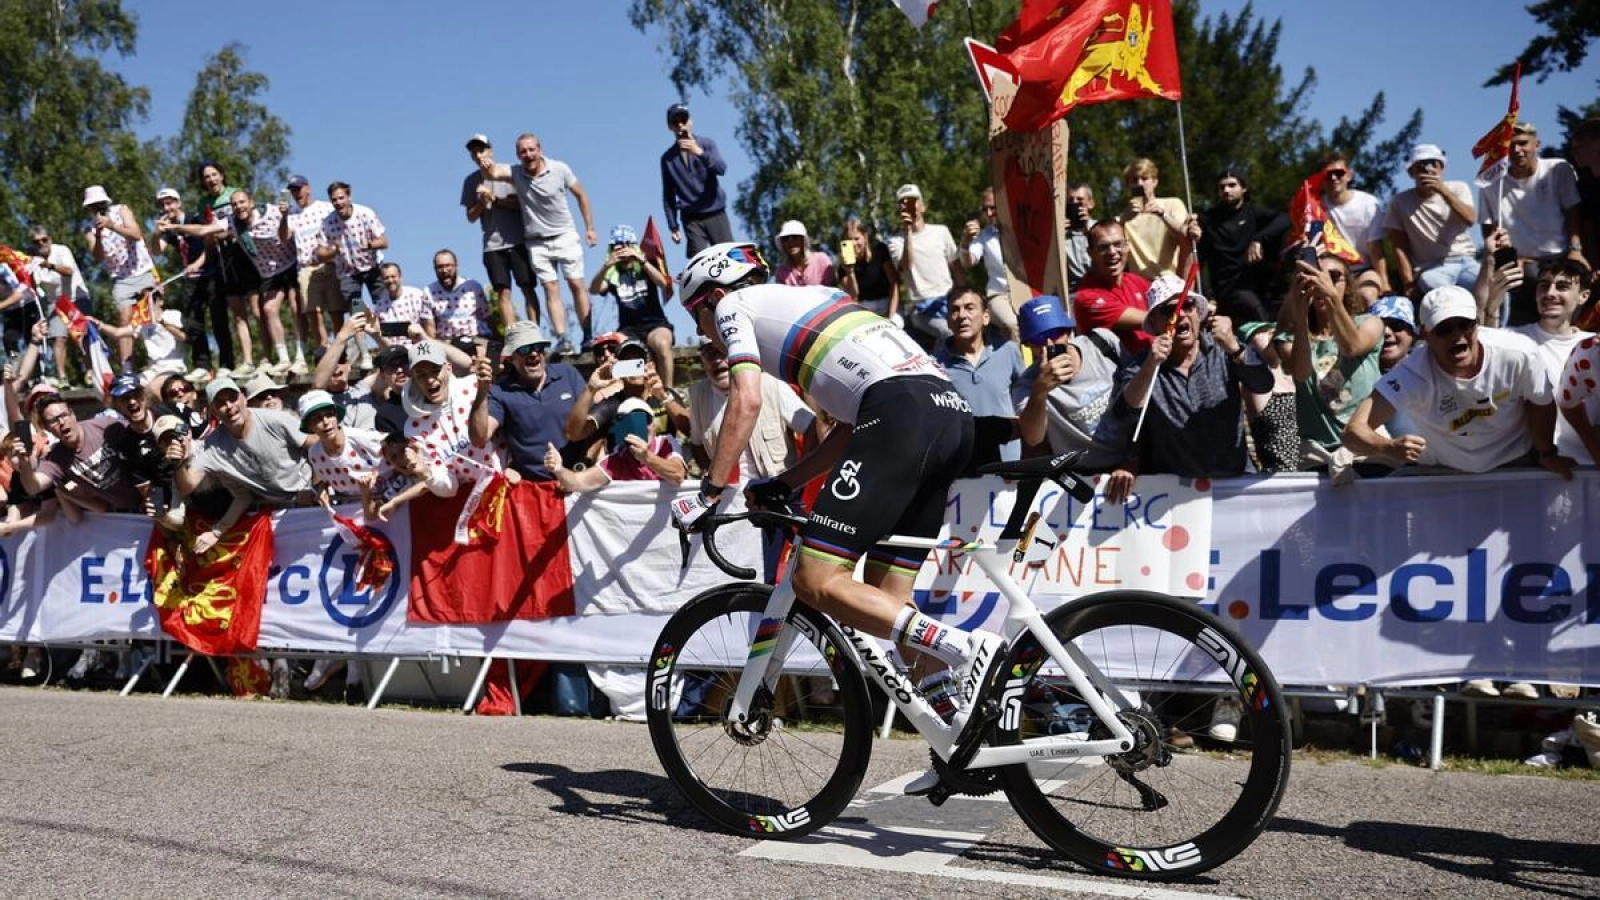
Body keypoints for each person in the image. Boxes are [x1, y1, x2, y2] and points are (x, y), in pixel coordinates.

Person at [669, 242, 997, 799]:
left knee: (815, 580)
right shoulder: (820, 297)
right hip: (947, 415)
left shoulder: (736, 307)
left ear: (715, 294)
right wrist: (787, 482)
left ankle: (963, 645)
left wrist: (710, 490)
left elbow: (745, 401)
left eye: (699, 314)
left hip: (902, 415)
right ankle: (959, 743)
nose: (707, 332)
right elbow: (848, 428)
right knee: (888, 601)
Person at [1342, 285, 1572, 477]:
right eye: (1444, 328)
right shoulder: (1410, 374)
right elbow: (1353, 432)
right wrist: (1387, 448)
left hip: (1515, 462)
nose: (1457, 335)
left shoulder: (1519, 353)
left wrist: (1546, 452)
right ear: (1425, 333)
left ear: (1478, 323)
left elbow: (1540, 400)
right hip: (1445, 473)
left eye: (1465, 324)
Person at [684, 338, 816, 580]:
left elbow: (811, 426)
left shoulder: (770, 385)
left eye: (721, 352)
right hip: (729, 499)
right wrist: (712, 477)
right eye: (709, 354)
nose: (717, 361)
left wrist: (799, 479)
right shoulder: (698, 396)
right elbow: (695, 444)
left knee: (782, 571)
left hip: (774, 493)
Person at [479, 133, 599, 355]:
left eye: (531, 149)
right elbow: (494, 172)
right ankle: (563, 339)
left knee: (575, 284)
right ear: (518, 155)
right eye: (523, 151)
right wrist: (486, 164)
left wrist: (589, 228)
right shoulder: (516, 172)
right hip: (536, 241)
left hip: (564, 233)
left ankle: (588, 335)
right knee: (550, 288)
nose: (528, 155)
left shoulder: (559, 169)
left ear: (540, 149)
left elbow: (581, 194)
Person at [1276, 253, 1383, 458]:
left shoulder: (1369, 322)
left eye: (1333, 276)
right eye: (1312, 276)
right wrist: (1299, 312)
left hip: (1367, 446)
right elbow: (1300, 372)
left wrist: (1330, 296)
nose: (1322, 281)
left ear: (1348, 286)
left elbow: (1352, 346)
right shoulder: (1290, 337)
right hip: (1317, 451)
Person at [1479, 122, 1585, 326]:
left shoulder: (1558, 169)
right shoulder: (1492, 182)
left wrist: (1576, 249)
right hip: (1521, 262)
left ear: (1537, 144)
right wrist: (1508, 256)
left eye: (1522, 143)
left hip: (1561, 255)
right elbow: (1489, 227)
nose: (1516, 150)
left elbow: (1573, 212)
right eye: (1509, 145)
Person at [1013, 294, 1129, 472]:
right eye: (1038, 339)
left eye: (1055, 333)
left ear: (1069, 331)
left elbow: (1139, 397)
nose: (1049, 344)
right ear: (1028, 345)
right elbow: (1033, 438)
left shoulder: (1102, 343)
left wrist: (1134, 459)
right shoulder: (1028, 385)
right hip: (1082, 475)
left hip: (1130, 465)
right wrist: (1040, 391)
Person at [469, 320, 583, 480]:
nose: (534, 353)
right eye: (524, 349)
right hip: (535, 490)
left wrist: (586, 464)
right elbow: (479, 438)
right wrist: (482, 390)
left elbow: (594, 423)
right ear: (511, 357)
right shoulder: (500, 391)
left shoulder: (568, 374)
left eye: (538, 347)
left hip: (580, 479)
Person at [932, 288, 1024, 469]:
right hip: (965, 469)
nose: (962, 316)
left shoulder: (1008, 351)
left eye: (969, 308)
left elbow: (1024, 399)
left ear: (986, 317)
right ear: (948, 320)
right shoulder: (935, 365)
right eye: (955, 310)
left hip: (1011, 464)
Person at [1515, 259, 1594, 464]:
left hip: (1592, 465)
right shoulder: (1513, 341)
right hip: (1537, 467)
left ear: (1583, 296)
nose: (1550, 293)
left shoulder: (1594, 347)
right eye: (1543, 286)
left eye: (1562, 287)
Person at [15, 394, 146, 517]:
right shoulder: (56, 459)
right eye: (54, 420)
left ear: (73, 415)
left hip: (150, 498)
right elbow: (33, 487)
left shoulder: (104, 425)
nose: (62, 422)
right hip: (126, 516)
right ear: (47, 428)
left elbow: (143, 437)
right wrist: (25, 464)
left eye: (64, 415)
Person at [461, 134, 539, 332]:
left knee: (527, 288)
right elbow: (470, 216)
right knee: (503, 293)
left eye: (482, 150)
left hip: (518, 240)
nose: (479, 155)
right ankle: (514, 337)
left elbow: (524, 205)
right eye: (474, 152)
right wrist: (481, 201)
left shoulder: (510, 172)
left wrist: (495, 200)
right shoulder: (470, 181)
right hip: (492, 245)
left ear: (491, 151)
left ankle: (534, 334)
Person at [1380, 144, 1480, 295]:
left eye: (1435, 164)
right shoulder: (1400, 202)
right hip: (1431, 267)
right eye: (1421, 166)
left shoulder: (1458, 188)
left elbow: (1470, 219)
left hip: (1466, 260)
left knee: (1493, 284)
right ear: (1411, 172)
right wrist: (1408, 282)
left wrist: (1443, 191)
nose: (1429, 169)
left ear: (1442, 168)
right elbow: (1399, 246)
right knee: (1437, 288)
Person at [1196, 168, 1289, 323]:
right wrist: (1206, 296)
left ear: (1243, 188)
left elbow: (1285, 220)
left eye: (1232, 185)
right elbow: (1199, 260)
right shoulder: (1208, 220)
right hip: (1222, 293)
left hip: (1253, 290)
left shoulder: (1254, 213)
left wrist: (1259, 239)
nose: (1226, 190)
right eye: (1222, 187)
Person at [589, 225, 676, 387]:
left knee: (663, 345)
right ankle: (631, 392)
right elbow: (594, 289)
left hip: (655, 324)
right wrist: (606, 265)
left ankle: (669, 391)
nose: (623, 251)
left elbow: (663, 283)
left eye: (626, 245)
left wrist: (641, 260)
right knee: (618, 351)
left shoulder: (646, 266)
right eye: (617, 247)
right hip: (628, 328)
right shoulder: (613, 274)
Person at [81, 184, 156, 366]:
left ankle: (158, 357)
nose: (97, 208)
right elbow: (98, 257)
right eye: (93, 205)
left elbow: (137, 234)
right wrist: (98, 235)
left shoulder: (121, 210)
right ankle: (127, 366)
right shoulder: (89, 230)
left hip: (142, 269)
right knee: (124, 318)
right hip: (121, 278)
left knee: (153, 314)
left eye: (100, 203)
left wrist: (112, 225)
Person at [147, 190, 217, 382]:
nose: (166, 208)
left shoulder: (194, 217)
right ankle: (202, 365)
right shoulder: (168, 229)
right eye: (162, 205)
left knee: (218, 320)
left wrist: (199, 263)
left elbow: (210, 242)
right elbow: (156, 251)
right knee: (192, 322)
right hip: (190, 277)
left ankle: (227, 364)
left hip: (210, 272)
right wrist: (156, 233)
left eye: (169, 203)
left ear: (178, 203)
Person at [886, 184, 962, 344]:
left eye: (912, 201)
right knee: (948, 333)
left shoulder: (941, 231)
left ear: (923, 206)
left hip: (949, 300)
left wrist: (966, 293)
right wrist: (908, 233)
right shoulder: (895, 241)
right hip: (921, 308)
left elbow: (956, 267)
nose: (907, 206)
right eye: (902, 202)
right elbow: (906, 266)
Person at [661, 104, 734, 256]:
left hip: (715, 212)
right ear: (670, 127)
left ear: (690, 121)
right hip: (691, 218)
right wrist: (673, 225)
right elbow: (668, 195)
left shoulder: (707, 144)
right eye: (675, 122)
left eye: (684, 119)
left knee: (729, 259)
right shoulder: (667, 159)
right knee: (700, 262)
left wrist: (699, 152)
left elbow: (721, 169)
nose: (681, 124)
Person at [24, 225, 92, 387]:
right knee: (58, 337)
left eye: (44, 240)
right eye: (37, 242)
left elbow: (69, 271)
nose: (41, 244)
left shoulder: (61, 251)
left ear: (50, 240)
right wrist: (29, 272)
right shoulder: (33, 262)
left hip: (77, 297)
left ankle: (90, 372)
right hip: (56, 302)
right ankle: (62, 377)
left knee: (83, 336)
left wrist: (48, 265)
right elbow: (35, 288)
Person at [1316, 152, 1387, 305]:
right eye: (1328, 175)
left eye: (1339, 173)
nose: (1334, 178)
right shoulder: (1316, 208)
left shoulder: (1369, 204)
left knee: (1367, 295)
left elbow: (1375, 248)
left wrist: (1385, 284)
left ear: (1349, 175)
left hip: (1363, 269)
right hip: (1331, 270)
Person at [1074, 220, 1153, 354]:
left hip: (1158, 365)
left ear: (1127, 247)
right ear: (1090, 252)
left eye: (1118, 244)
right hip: (1124, 373)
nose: (1112, 252)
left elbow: (1178, 298)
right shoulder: (1086, 297)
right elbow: (1153, 321)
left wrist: (1185, 244)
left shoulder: (1136, 281)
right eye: (1103, 247)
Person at [285, 174, 340, 349]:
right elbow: (283, 235)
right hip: (306, 267)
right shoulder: (292, 215)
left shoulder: (325, 208)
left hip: (329, 264)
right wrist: (282, 217)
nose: (296, 193)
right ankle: (323, 349)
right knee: (313, 312)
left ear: (307, 188)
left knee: (335, 310)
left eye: (298, 189)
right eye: (293, 191)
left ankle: (341, 349)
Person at [315, 181, 390, 310]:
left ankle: (385, 328)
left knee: (383, 306)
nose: (338, 203)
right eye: (334, 200)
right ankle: (360, 328)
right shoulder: (327, 223)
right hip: (348, 273)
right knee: (356, 312)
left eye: (341, 198)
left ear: (349, 197)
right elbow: (319, 254)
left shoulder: (365, 213)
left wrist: (370, 244)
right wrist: (334, 251)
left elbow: (384, 242)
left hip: (373, 267)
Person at [89, 286, 187, 381]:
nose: (147, 304)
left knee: (152, 389)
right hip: (154, 369)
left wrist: (162, 322)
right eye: (143, 301)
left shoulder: (173, 315)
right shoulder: (142, 324)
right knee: (128, 389)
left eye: (151, 300)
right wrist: (99, 324)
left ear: (160, 301)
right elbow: (117, 333)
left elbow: (183, 337)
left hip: (174, 366)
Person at [1116, 158, 1191, 279]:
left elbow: (1185, 236)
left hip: (1173, 280)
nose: (1140, 183)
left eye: (1145, 179)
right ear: (1128, 185)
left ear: (1155, 182)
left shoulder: (1172, 204)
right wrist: (1124, 218)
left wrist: (1163, 215)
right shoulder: (1122, 219)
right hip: (1140, 285)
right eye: (1134, 180)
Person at [959, 188, 1016, 341]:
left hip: (1025, 292)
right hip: (999, 295)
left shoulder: (1022, 228)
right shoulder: (984, 236)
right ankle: (1019, 364)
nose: (989, 214)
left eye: (993, 208)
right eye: (985, 209)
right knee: (1012, 324)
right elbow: (967, 262)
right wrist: (965, 241)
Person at [836, 215, 899, 324]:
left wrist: (890, 315)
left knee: (897, 324)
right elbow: (853, 296)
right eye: (849, 240)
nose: (854, 244)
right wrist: (850, 271)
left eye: (856, 238)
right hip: (864, 310)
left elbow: (894, 283)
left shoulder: (879, 250)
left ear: (865, 237)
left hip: (887, 303)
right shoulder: (843, 266)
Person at [426, 249, 490, 345]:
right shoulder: (429, 291)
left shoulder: (473, 286)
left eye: (448, 266)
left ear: (456, 265)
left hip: (475, 338)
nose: (444, 270)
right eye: (440, 267)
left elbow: (487, 316)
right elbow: (430, 326)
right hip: (447, 341)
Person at [371, 262, 435, 348]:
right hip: (394, 352)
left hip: (419, 348)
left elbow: (429, 324)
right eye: (386, 278)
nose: (390, 280)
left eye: (393, 276)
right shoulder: (379, 307)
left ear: (400, 277)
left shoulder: (417, 296)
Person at [773, 220, 835, 287]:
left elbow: (832, 289)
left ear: (803, 240)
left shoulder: (822, 260)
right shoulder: (781, 271)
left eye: (795, 236)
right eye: (786, 238)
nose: (790, 241)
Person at [1063, 182, 1097, 289]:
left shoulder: (1099, 228)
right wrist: (1058, 237)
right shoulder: (1060, 233)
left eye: (1080, 200)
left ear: (1090, 203)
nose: (1075, 203)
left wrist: (1088, 231)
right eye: (1070, 200)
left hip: (1098, 286)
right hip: (1072, 290)